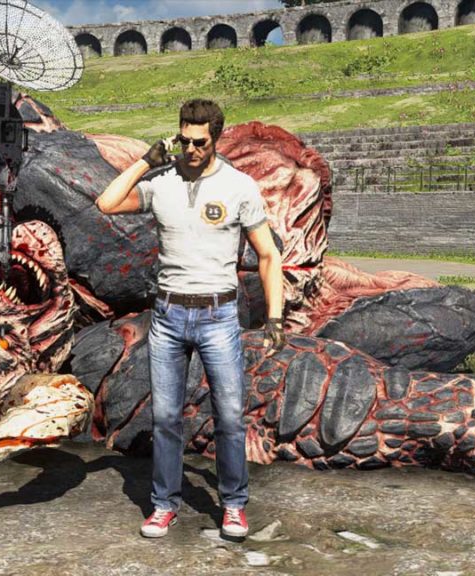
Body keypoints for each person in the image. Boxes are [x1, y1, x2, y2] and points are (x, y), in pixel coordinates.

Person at [95, 99, 285, 539]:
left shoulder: (238, 186)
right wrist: (146, 161)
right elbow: (107, 202)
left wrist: (275, 318)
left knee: (230, 418)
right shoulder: (162, 182)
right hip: (168, 316)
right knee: (165, 419)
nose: (191, 149)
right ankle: (164, 505)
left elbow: (268, 254)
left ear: (216, 137)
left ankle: (233, 505)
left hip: (219, 316)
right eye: (184, 141)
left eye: (200, 142)